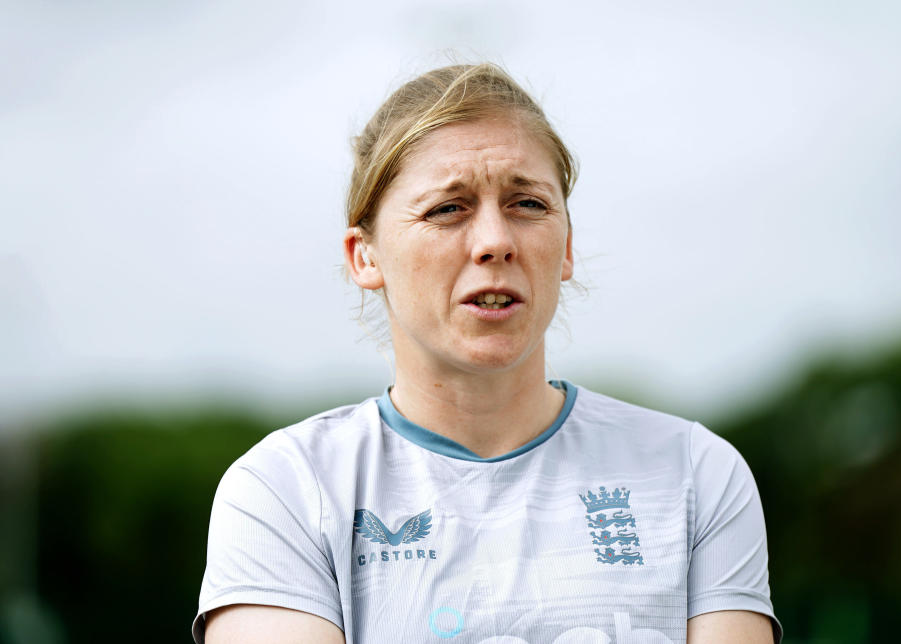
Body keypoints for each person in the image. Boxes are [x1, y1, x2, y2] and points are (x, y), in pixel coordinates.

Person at [193, 63, 782, 644]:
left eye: (528, 204)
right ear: (365, 257)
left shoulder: (696, 474)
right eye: (448, 208)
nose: (496, 241)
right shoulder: (287, 490)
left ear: (568, 245)